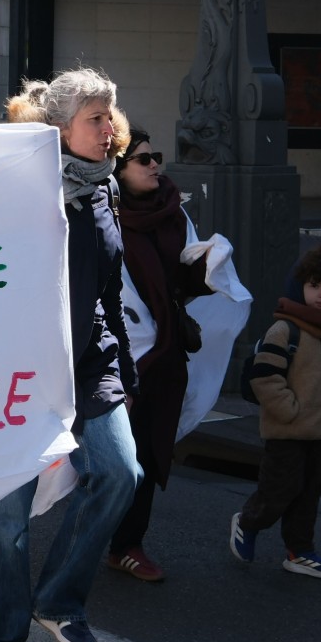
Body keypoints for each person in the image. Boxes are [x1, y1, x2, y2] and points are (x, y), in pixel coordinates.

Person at [0, 69, 139, 642]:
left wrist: (125, 370)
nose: (110, 130)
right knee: (5, 513)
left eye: (109, 117)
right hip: (16, 365)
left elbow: (109, 289)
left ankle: (58, 600)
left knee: (120, 473)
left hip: (88, 362)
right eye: (96, 119)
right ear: (61, 128)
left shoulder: (105, 188)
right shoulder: (17, 185)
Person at [105, 128, 208, 582]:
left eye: (155, 157)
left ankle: (127, 544)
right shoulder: (104, 215)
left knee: (147, 451)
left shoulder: (172, 210)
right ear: (119, 170)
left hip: (164, 354)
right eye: (143, 160)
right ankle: (95, 538)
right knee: (115, 461)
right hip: (118, 358)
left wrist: (209, 268)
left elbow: (184, 279)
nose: (154, 166)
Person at [230, 244, 321, 580]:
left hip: (319, 432)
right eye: (315, 286)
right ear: (299, 286)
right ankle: (248, 522)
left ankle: (300, 552)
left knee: (309, 494)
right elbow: (264, 377)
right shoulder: (284, 330)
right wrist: (289, 411)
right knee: (279, 490)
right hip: (286, 431)